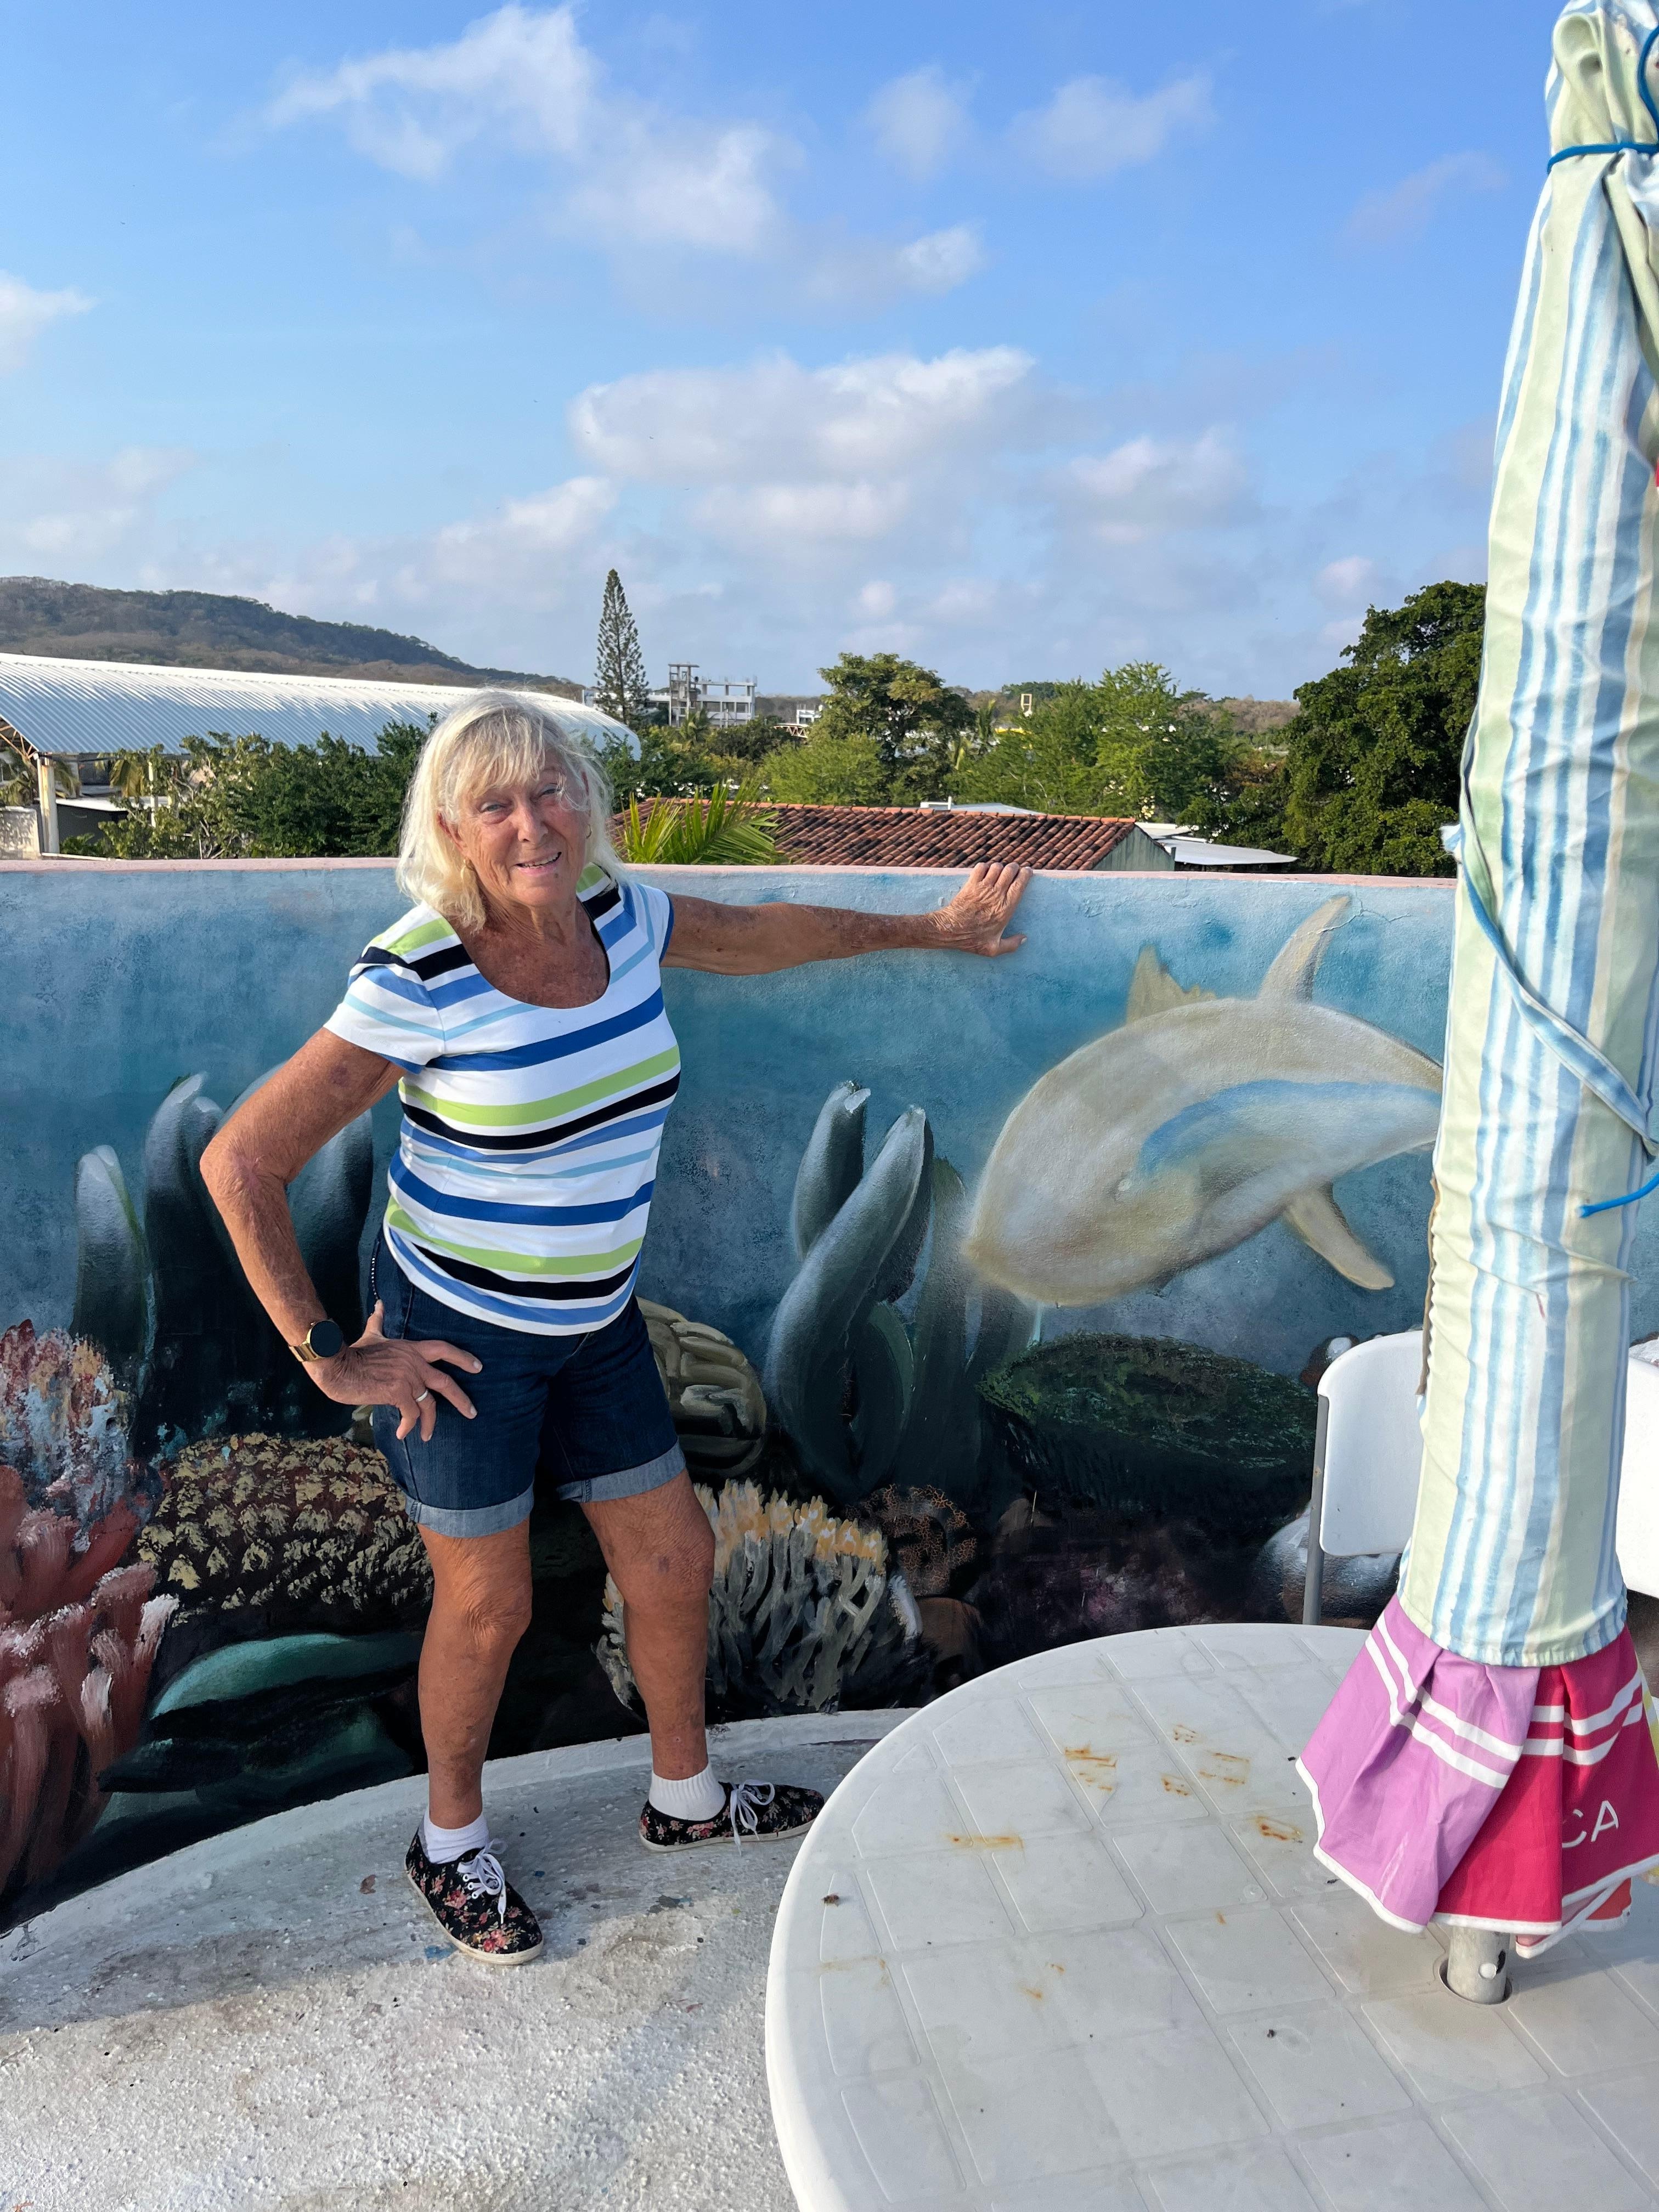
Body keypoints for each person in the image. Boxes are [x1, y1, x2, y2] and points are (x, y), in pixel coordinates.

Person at [201, 691, 1030, 1965]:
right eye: (495, 804)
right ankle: (450, 1842)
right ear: (451, 828)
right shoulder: (417, 973)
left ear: (584, 804)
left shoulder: (620, 917)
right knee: (488, 1606)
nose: (532, 823)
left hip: (596, 1324)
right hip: (462, 1340)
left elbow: (762, 933)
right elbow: (242, 1161)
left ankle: (685, 1800)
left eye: (552, 792)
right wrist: (331, 1354)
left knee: (674, 1561)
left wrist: (932, 928)